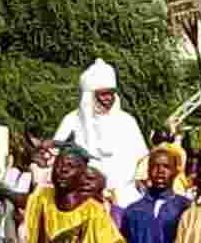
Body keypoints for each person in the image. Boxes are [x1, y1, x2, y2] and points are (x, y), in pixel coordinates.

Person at [54, 58, 148, 209]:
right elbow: (56, 162)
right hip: (80, 202)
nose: (108, 99)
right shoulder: (71, 122)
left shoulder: (128, 122)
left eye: (111, 93)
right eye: (103, 94)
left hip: (125, 201)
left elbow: (142, 161)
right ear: (90, 95)